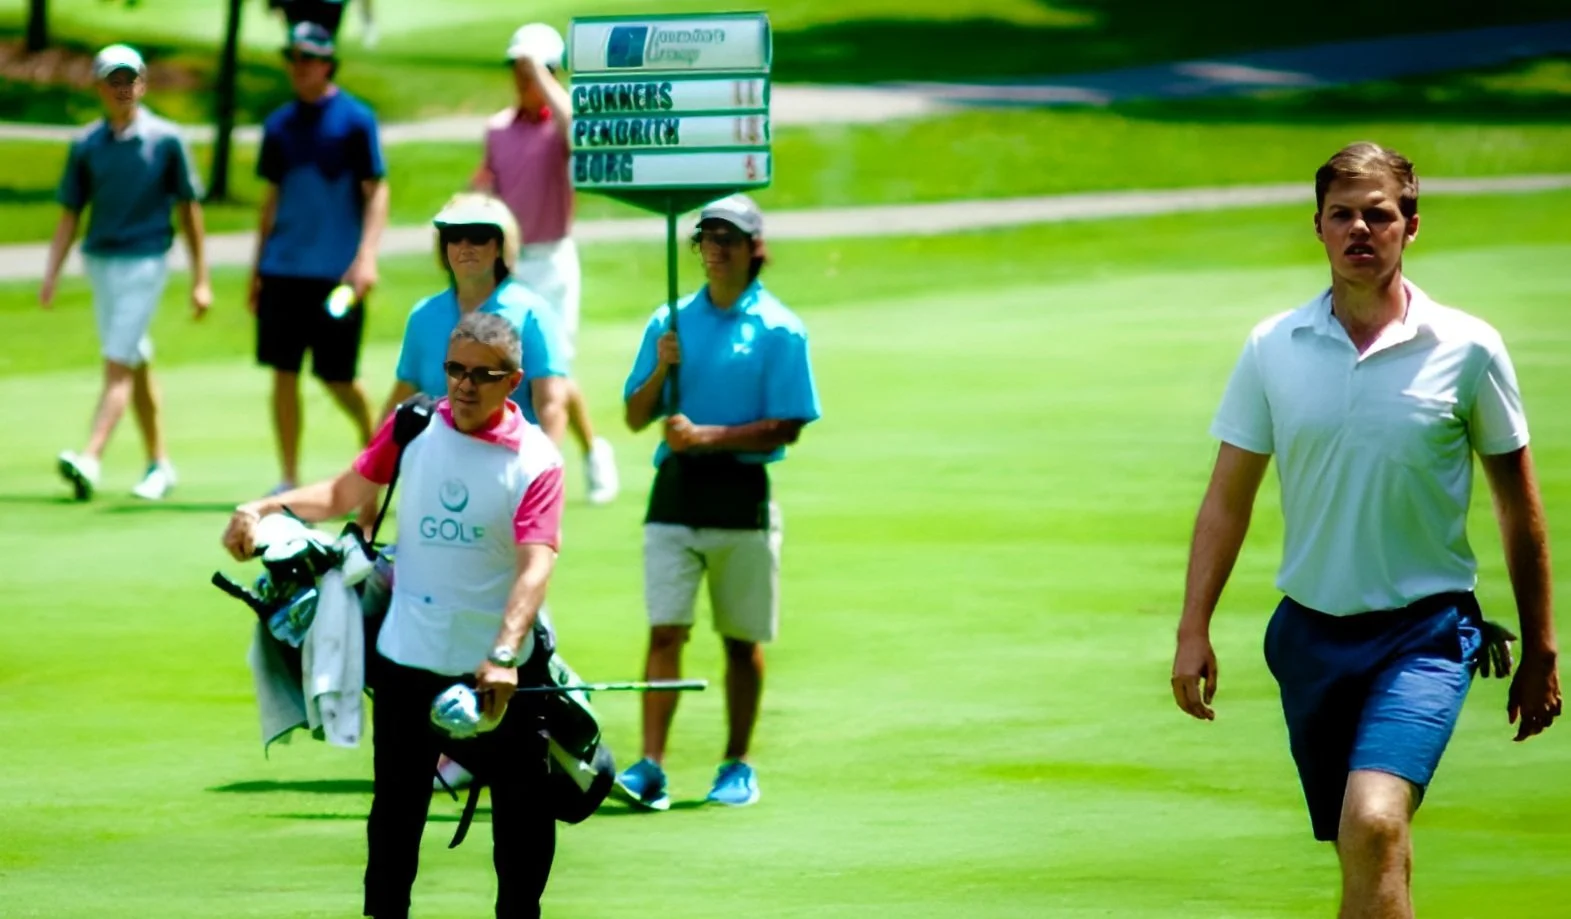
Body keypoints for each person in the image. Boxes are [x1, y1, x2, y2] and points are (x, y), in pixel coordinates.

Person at [1170, 142, 1561, 919]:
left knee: (1375, 820)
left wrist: (1541, 646)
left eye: (1378, 214)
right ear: (1316, 226)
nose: (1359, 229)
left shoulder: (1467, 347)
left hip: (1424, 634)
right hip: (1309, 638)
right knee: (1365, 844)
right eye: (1341, 214)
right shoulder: (1272, 346)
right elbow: (1226, 499)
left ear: (1409, 225)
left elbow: (1516, 505)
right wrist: (1192, 627)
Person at [221, 311, 566, 919]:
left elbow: (535, 565)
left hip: (497, 670)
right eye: (454, 370)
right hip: (409, 658)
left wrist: (504, 653)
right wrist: (262, 507)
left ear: (513, 381)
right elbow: (342, 494)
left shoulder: (536, 459)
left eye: (481, 375)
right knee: (394, 822)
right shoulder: (414, 427)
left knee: (523, 820)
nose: (463, 385)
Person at [614, 195, 822, 810]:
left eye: (729, 239)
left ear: (754, 249)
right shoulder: (670, 319)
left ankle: (737, 763)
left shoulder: (780, 329)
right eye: (707, 238)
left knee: (740, 640)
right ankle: (651, 766)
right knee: (665, 631)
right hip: (675, 494)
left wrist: (706, 436)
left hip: (742, 497)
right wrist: (661, 368)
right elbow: (635, 415)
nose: (715, 249)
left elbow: (787, 425)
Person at [376, 191, 573, 793]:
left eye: (480, 236)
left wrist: (541, 478)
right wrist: (370, 490)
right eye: (455, 236)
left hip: (510, 487)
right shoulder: (425, 316)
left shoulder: (530, 312)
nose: (466, 247)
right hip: (439, 485)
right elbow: (402, 403)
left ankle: (541, 727)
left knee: (519, 618)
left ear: (501, 246)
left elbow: (552, 401)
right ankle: (446, 740)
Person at [42, 42, 211, 502]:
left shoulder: (166, 140)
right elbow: (70, 213)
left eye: (129, 79)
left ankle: (91, 457)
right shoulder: (86, 145)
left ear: (143, 84)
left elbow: (190, 210)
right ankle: (160, 464)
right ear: (98, 86)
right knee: (134, 357)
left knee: (117, 362)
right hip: (100, 263)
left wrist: (201, 279)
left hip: (146, 262)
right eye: (113, 80)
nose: (122, 88)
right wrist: (52, 273)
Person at [472, 22, 620, 506]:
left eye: (531, 71)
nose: (522, 79)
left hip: (553, 262)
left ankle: (584, 455)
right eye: (517, 70)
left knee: (552, 366)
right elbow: (488, 184)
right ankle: (538, 457)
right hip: (509, 266)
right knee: (516, 366)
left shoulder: (561, 126)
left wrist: (543, 74)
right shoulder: (498, 129)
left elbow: (578, 130)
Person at [250, 21, 388, 495]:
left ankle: (377, 454)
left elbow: (376, 190)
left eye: (308, 59)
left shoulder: (355, 120)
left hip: (336, 273)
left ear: (328, 64)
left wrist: (366, 257)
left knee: (337, 376)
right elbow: (271, 200)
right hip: (283, 269)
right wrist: (257, 269)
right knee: (283, 372)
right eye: (293, 58)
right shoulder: (278, 126)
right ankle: (288, 476)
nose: (299, 67)